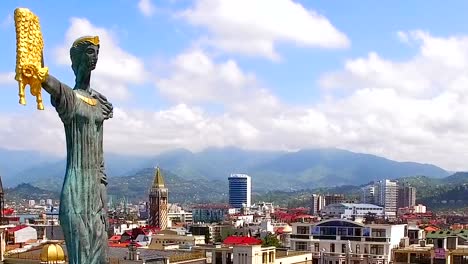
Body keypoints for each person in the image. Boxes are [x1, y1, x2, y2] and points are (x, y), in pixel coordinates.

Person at [41, 35, 113, 264]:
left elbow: (100, 161)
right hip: (76, 190)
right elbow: (47, 81)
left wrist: (104, 200)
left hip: (95, 192)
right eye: (91, 52)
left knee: (99, 256)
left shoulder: (100, 104)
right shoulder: (70, 99)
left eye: (97, 52)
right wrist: (36, 54)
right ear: (78, 58)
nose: (96, 57)